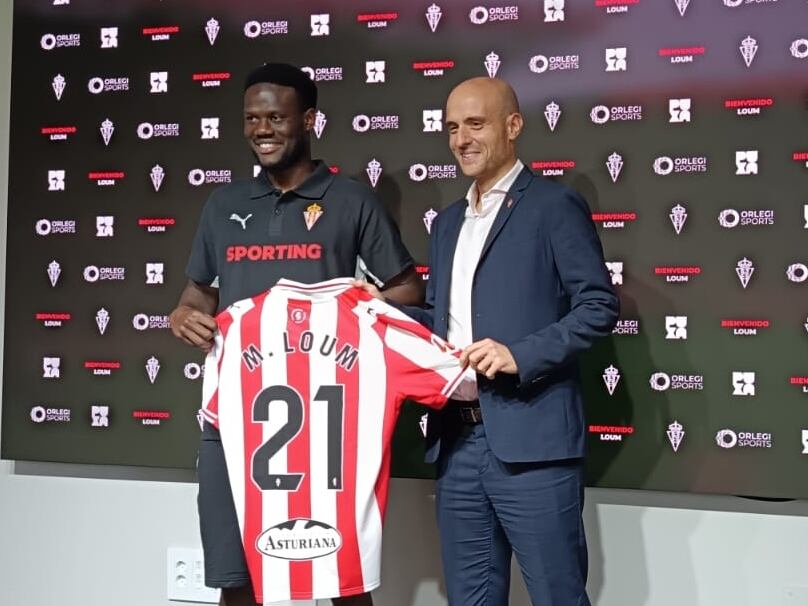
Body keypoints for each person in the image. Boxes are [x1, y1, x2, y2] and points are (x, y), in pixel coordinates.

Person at [356, 77, 619, 605]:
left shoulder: (553, 206)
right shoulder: (450, 221)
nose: (460, 139)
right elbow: (451, 324)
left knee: (558, 596)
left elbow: (598, 306)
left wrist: (518, 355)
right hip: (457, 443)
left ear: (513, 127)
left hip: (534, 441)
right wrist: (387, 308)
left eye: (475, 124)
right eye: (452, 127)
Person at [169, 62, 423, 606]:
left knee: (343, 583)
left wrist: (357, 306)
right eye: (252, 118)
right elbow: (197, 297)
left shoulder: (352, 200)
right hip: (236, 414)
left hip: (327, 420)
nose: (262, 129)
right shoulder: (223, 205)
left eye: (276, 118)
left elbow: (408, 291)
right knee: (236, 582)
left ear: (309, 120)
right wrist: (182, 316)